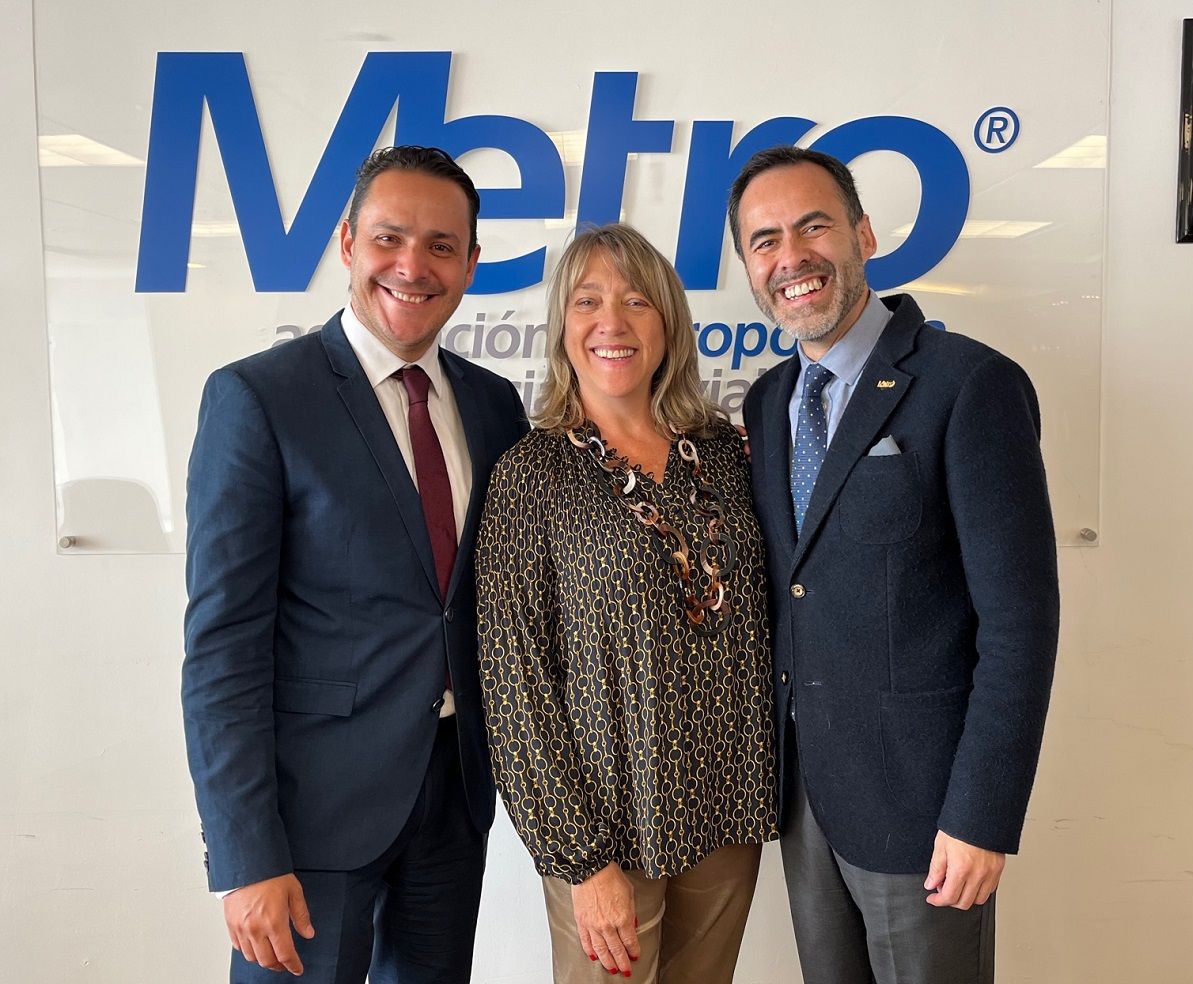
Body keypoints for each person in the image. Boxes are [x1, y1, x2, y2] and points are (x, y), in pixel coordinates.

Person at [182, 145, 528, 984]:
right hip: (306, 826)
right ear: (346, 243)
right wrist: (243, 855)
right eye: (389, 238)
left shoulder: (491, 404)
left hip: (451, 804)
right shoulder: (259, 398)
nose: (413, 266)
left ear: (473, 264)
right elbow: (222, 648)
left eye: (442, 245)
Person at [727, 145, 1059, 984]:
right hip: (806, 804)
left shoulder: (968, 385)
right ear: (747, 267)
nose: (791, 258)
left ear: (864, 235)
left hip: (927, 816)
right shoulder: (769, 401)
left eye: (813, 227)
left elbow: (1019, 624)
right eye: (764, 241)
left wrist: (982, 815)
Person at [475, 223, 777, 983]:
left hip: (726, 811)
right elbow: (515, 686)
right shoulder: (531, 474)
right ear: (563, 328)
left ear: (668, 322)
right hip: (609, 826)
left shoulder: (725, 455)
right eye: (588, 301)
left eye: (636, 300)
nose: (612, 322)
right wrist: (580, 862)